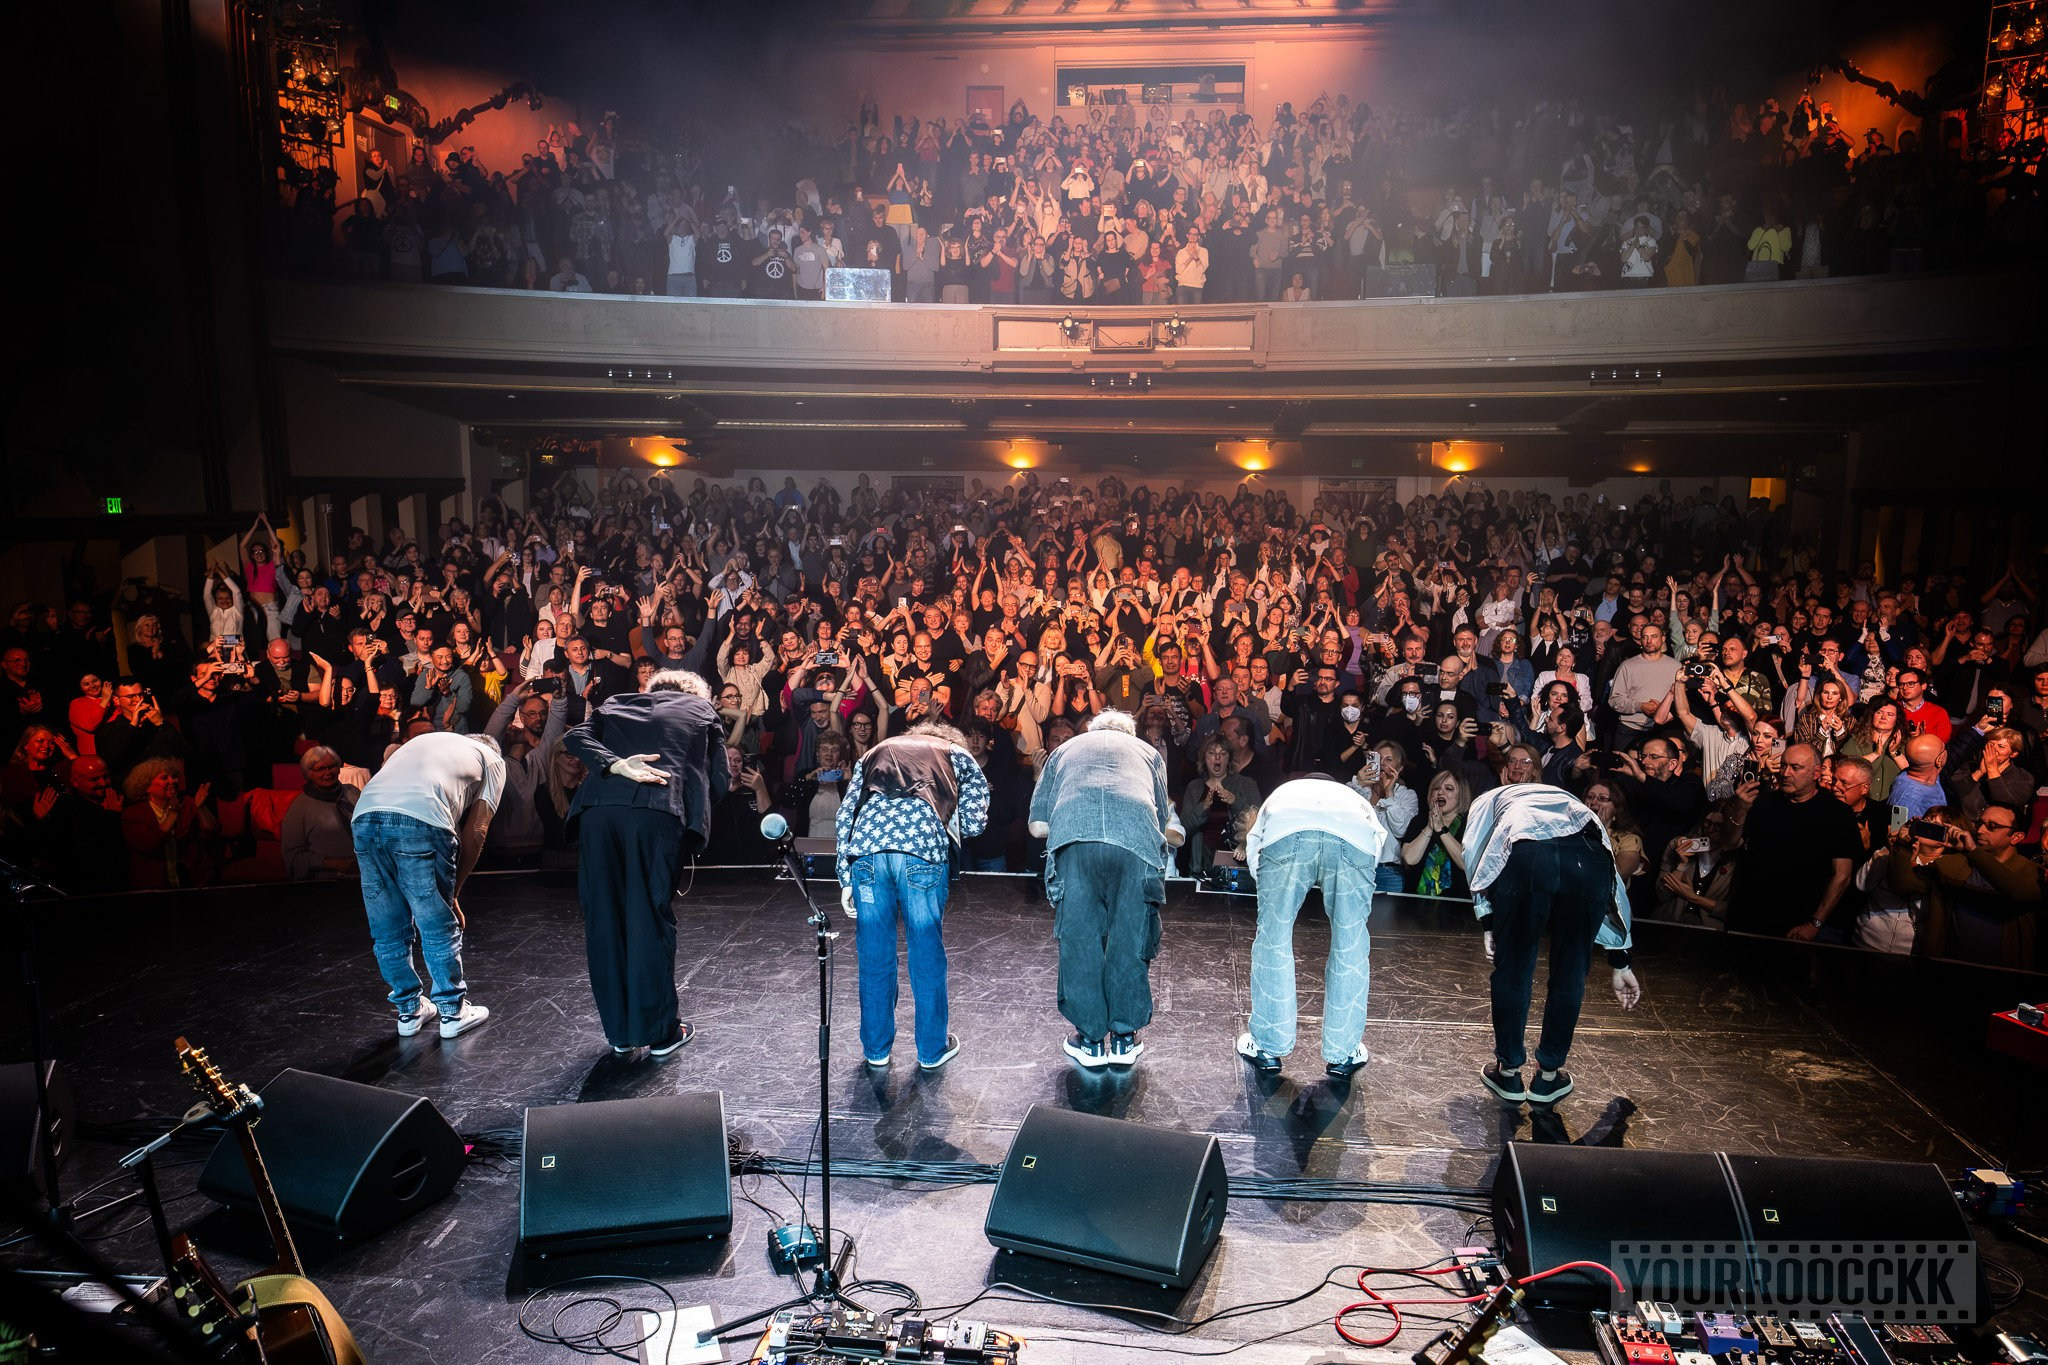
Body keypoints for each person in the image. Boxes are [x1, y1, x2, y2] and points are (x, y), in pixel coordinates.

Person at [561, 669, 729, 1056]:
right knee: (648, 919)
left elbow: (574, 736)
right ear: (698, 695)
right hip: (656, 811)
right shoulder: (702, 712)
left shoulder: (617, 702)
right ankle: (660, 1034)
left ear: (651, 690)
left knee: (604, 920)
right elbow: (718, 779)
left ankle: (619, 1034)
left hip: (597, 813)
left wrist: (616, 765)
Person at [1464, 780, 1641, 1107]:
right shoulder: (1576, 807)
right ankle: (1548, 1077)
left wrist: (1487, 919)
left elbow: (1476, 856)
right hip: (1587, 860)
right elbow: (1613, 883)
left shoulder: (1486, 800)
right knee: (1571, 970)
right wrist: (1621, 958)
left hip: (1528, 854)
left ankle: (1509, 1072)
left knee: (1514, 967)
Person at [1028, 710, 1183, 1068]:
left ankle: (1091, 1041)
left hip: (1075, 841)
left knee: (1081, 939)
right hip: (1135, 843)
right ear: (1129, 734)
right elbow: (1161, 820)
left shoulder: (1065, 750)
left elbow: (1037, 827)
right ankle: (1125, 1039)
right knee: (1129, 937)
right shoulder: (1148, 752)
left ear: (1090, 731)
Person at [835, 721, 989, 1071]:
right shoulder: (955, 753)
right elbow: (976, 822)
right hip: (921, 851)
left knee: (874, 956)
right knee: (925, 952)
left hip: (869, 854)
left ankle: (876, 1050)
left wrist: (846, 877)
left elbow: (847, 815)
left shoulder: (878, 750)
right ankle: (932, 1050)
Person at [350, 731, 505, 1039]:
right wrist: (454, 894)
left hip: (364, 815)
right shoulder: (493, 760)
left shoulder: (427, 742)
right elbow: (477, 831)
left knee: (387, 926)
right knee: (436, 921)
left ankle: (409, 1011)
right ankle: (452, 1012)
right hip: (422, 818)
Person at [1236, 776, 1385, 1078]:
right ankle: (1343, 1052)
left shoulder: (1282, 793)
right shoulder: (1351, 798)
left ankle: (1267, 1045)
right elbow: (1376, 842)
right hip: (1353, 835)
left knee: (1273, 938)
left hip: (1288, 831)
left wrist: (1267, 890)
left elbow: (1255, 846)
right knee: (1350, 940)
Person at [1725, 742, 1863, 941]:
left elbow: (1841, 876)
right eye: (1783, 765)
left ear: (1816, 774)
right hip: (1748, 916)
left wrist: (1815, 923)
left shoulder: (1838, 814)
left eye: (1795, 768)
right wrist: (1741, 808)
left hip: (1796, 924)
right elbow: (1729, 844)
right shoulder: (1763, 802)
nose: (1786, 773)